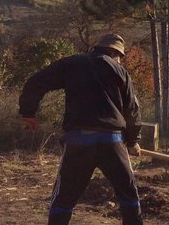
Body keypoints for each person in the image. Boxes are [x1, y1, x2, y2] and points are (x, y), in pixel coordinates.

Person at [19, 34, 143, 225]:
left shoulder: (72, 64)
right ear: (115, 53)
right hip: (111, 141)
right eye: (120, 56)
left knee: (64, 197)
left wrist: (28, 113)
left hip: (79, 141)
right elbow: (132, 110)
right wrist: (133, 140)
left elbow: (36, 82)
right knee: (128, 194)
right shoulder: (120, 71)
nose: (120, 60)